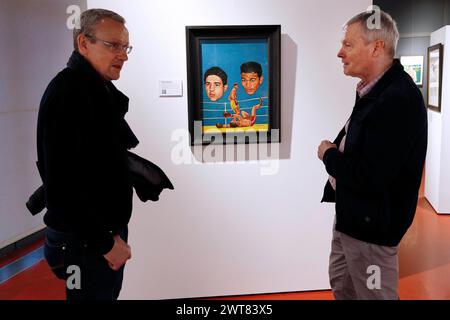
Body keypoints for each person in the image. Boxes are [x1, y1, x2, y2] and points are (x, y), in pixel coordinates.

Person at [318, 10, 427, 300]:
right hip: (353, 217)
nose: (340, 53)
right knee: (345, 287)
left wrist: (328, 154)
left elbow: (370, 176)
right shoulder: (375, 91)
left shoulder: (397, 100)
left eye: (348, 44)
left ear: (376, 47)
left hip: (372, 228)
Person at [37, 9, 136, 300]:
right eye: (113, 45)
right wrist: (106, 244)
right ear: (84, 43)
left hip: (95, 238)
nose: (123, 55)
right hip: (85, 243)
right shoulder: (68, 93)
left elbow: (93, 160)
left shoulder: (93, 90)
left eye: (125, 46)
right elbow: (61, 188)